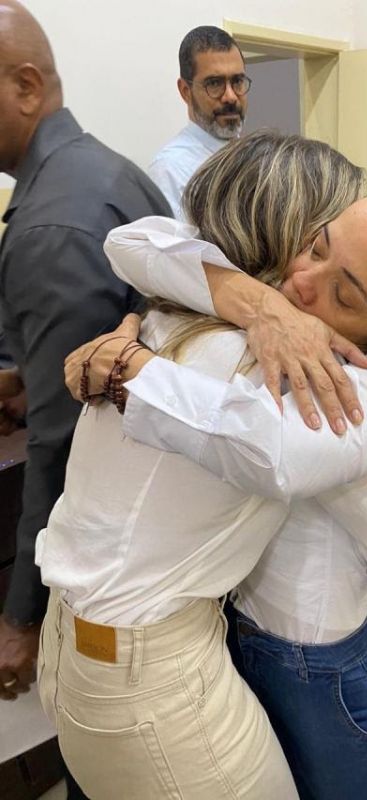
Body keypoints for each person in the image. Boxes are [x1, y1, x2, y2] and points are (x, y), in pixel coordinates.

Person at [62, 131, 367, 799]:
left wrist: (130, 367)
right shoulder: (245, 334)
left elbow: (276, 453)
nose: (301, 280)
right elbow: (135, 243)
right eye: (316, 245)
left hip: (321, 659)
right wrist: (255, 303)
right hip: (223, 630)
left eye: (345, 293)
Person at [0, 0, 171, 716]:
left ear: (26, 87)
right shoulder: (107, 171)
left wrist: (20, 616)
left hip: (110, 544)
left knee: (99, 734)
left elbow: (59, 441)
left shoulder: (51, 225)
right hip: (157, 504)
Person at [148, 26, 250, 219]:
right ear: (185, 91)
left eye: (237, 81)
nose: (230, 97)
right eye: (215, 83)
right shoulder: (171, 170)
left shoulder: (256, 157)